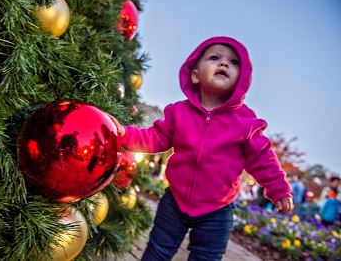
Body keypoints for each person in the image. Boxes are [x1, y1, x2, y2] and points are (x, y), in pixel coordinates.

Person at [111, 36, 293, 260]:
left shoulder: (246, 123)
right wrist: (124, 135)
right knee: (158, 250)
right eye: (215, 58)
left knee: (206, 257)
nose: (224, 63)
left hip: (217, 211)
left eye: (234, 62)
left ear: (241, 80)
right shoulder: (178, 113)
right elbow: (154, 137)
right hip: (174, 202)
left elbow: (263, 159)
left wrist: (279, 189)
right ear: (195, 75)